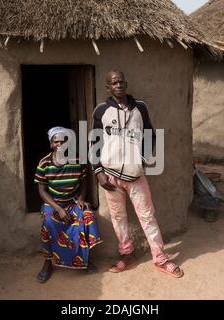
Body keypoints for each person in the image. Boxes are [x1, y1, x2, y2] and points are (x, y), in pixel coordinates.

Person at [91, 70, 183, 278]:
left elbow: (150, 134)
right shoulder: (101, 110)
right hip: (110, 176)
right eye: (114, 83)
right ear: (108, 87)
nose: (118, 85)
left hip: (135, 175)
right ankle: (127, 255)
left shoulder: (140, 107)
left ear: (126, 83)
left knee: (147, 216)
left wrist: (143, 159)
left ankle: (160, 258)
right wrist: (98, 172)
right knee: (118, 217)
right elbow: (94, 141)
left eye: (121, 81)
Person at [35, 126, 102, 283]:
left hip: (72, 201)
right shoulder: (44, 163)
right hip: (52, 203)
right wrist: (58, 208)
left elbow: (83, 182)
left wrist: (80, 199)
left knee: (87, 216)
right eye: (56, 142)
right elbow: (42, 191)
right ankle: (48, 262)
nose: (60, 144)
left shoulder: (77, 160)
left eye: (63, 141)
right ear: (51, 144)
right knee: (49, 222)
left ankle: (84, 259)